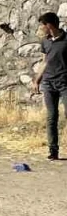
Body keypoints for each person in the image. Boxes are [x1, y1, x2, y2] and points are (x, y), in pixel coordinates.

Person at [32, 11, 67, 161]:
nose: (41, 28)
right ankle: (53, 151)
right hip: (48, 83)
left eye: (42, 25)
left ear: (49, 25)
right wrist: (37, 80)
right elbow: (44, 62)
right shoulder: (45, 42)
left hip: (65, 83)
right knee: (51, 117)